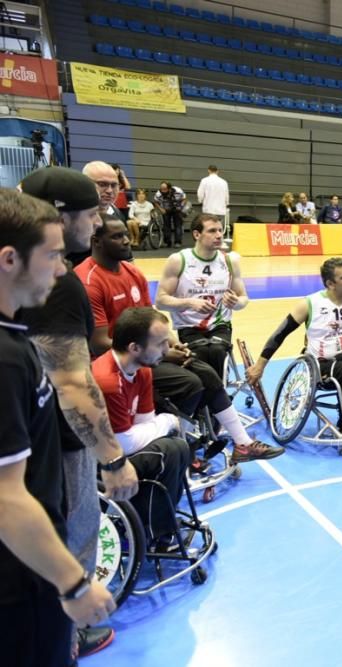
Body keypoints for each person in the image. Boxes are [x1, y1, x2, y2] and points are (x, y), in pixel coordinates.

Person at [19, 167, 139, 660]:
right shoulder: (61, 282)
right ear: (61, 216)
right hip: (53, 441)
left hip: (19, 431)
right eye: (90, 215)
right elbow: (71, 379)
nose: (96, 225)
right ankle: (68, 633)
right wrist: (112, 458)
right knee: (75, 531)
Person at [0, 188, 116, 667]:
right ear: (9, 259)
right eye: (51, 255)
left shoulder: (14, 337)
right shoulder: (5, 360)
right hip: (21, 583)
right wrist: (73, 583)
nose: (63, 268)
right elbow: (7, 498)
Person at [75, 218, 284, 463]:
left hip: (145, 352)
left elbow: (151, 319)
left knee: (206, 373)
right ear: (96, 241)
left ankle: (242, 444)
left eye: (125, 234)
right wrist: (161, 352)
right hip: (119, 362)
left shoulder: (132, 272)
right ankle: (179, 446)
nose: (126, 240)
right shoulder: (88, 281)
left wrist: (172, 343)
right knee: (190, 383)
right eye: (117, 237)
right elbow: (100, 343)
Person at [91, 308, 192, 550]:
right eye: (160, 344)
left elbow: (144, 426)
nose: (167, 351)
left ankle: (153, 527)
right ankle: (151, 533)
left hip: (119, 450)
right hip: (96, 464)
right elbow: (123, 443)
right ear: (135, 348)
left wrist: (163, 424)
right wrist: (168, 421)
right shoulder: (107, 381)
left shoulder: (143, 371)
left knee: (176, 446)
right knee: (171, 448)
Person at [247, 258, 342, 433]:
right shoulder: (310, 303)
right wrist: (260, 365)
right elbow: (280, 334)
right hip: (319, 364)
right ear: (330, 283)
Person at [155, 214, 249, 378]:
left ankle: (216, 397)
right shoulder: (179, 260)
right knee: (200, 353)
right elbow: (161, 301)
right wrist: (189, 303)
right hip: (189, 326)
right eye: (212, 231)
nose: (219, 235)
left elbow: (243, 299)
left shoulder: (229, 261)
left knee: (217, 351)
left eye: (221, 230)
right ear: (197, 234)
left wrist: (235, 302)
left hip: (219, 325)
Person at [197, 165, 229, 245]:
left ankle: (208, 242)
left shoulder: (204, 180)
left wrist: (200, 200)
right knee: (219, 227)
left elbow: (200, 193)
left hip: (209, 208)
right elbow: (226, 195)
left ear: (209, 170)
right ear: (217, 171)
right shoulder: (224, 182)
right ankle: (220, 242)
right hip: (220, 209)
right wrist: (226, 203)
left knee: (208, 226)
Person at [153, 181, 187, 248]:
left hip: (177, 209)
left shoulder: (178, 190)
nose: (163, 190)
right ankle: (168, 242)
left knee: (178, 225)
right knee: (166, 226)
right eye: (161, 188)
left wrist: (181, 206)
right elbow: (155, 202)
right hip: (166, 209)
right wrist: (161, 209)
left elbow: (184, 198)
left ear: (169, 188)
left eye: (164, 189)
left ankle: (177, 242)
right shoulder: (158, 194)